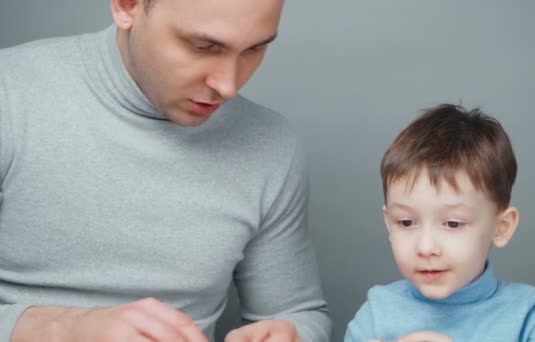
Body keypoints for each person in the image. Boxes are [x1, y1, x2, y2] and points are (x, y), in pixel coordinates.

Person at [0, 0, 331, 341]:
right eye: (203, 46)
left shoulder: (271, 143)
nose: (228, 86)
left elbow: (296, 312)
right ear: (127, 6)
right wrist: (61, 329)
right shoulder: (9, 94)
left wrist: (292, 334)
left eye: (254, 49)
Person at [345, 104, 535, 341]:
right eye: (406, 222)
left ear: (501, 228)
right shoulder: (377, 314)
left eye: (453, 224)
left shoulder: (528, 316)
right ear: (389, 224)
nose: (426, 248)